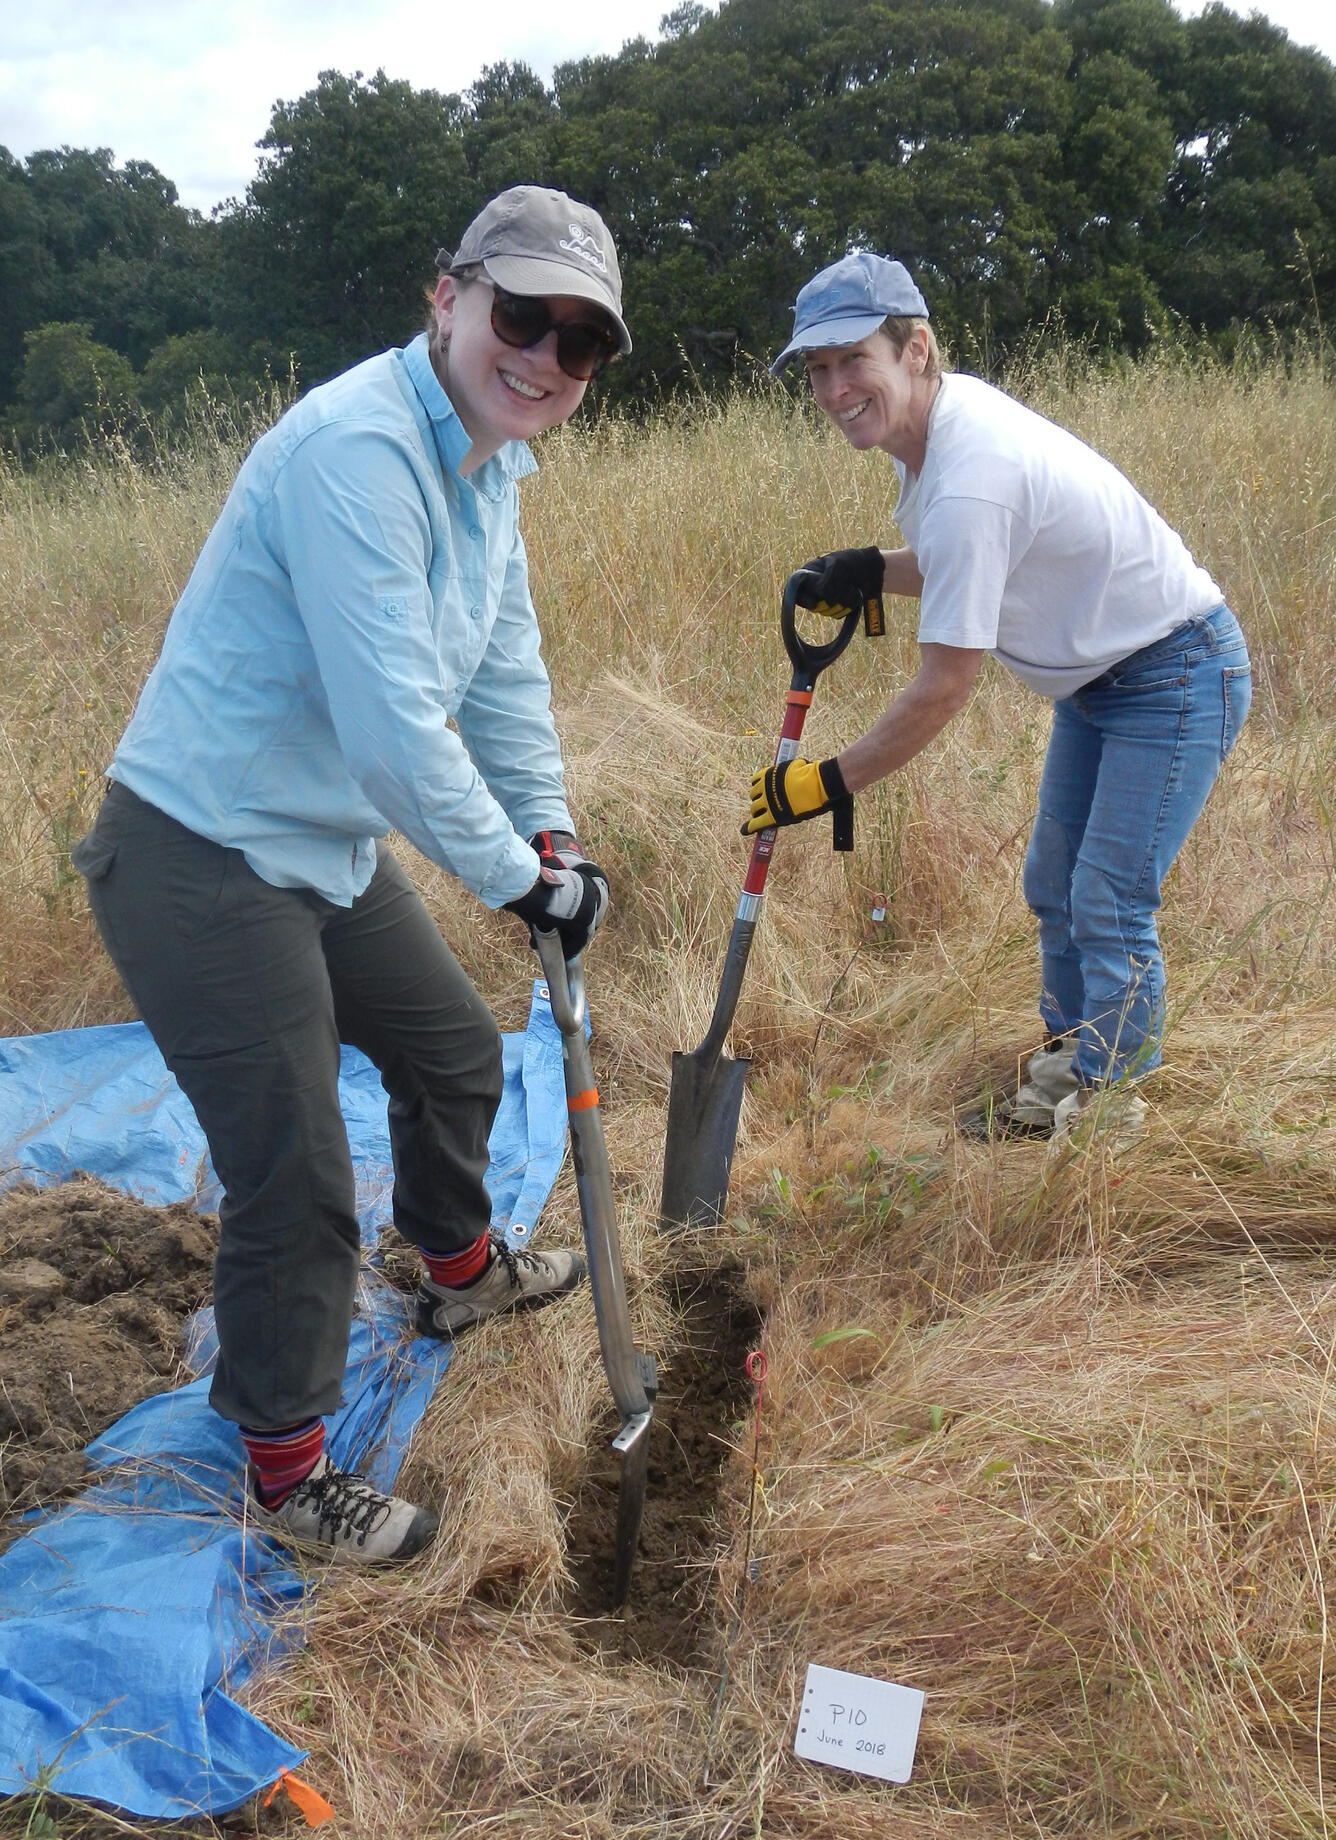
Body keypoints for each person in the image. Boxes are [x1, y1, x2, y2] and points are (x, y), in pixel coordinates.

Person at [72, 186, 631, 1563]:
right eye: (524, 316)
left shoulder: (493, 468)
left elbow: (503, 678)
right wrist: (513, 880)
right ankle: (283, 1465)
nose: (547, 357)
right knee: (298, 1176)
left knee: (453, 1056)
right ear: (448, 295)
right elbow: (393, 733)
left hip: (315, 845)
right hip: (198, 850)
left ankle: (453, 1272)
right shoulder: (355, 451)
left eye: (582, 342)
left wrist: (549, 836)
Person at [749, 252, 1251, 1146]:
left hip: (1176, 673)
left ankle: (1111, 1112)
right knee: (1053, 882)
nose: (833, 389)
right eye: (817, 372)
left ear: (917, 350)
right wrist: (872, 574)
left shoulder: (969, 469)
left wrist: (827, 782)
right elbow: (969, 555)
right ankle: (1069, 1063)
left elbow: (945, 686)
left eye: (852, 360)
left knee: (1107, 895)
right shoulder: (939, 438)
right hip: (1102, 683)